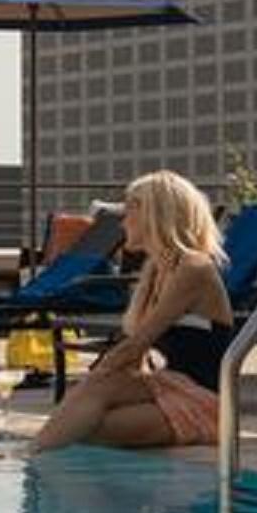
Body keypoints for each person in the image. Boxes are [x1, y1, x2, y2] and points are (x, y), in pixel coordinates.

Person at [31, 170, 232, 450]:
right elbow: (135, 356)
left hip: (202, 400)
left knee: (85, 426)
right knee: (82, 419)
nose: (123, 223)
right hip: (168, 386)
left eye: (128, 212)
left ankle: (30, 464)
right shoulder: (153, 271)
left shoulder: (194, 267)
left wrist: (94, 383)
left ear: (153, 216)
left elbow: (137, 344)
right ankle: (33, 460)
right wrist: (95, 387)